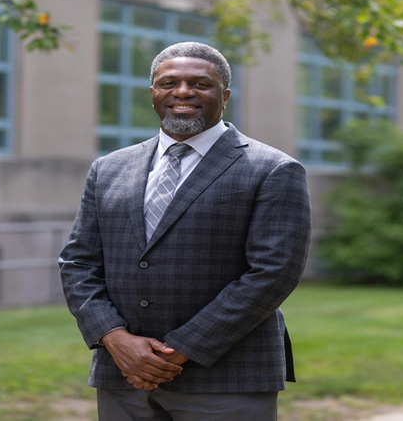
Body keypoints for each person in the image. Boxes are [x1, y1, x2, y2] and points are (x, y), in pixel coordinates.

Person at [59, 41, 312, 420]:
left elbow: (273, 274)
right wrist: (115, 339)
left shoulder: (272, 169)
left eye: (200, 84)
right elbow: (78, 262)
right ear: (153, 94)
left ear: (224, 95)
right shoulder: (109, 168)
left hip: (226, 379)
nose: (182, 93)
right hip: (123, 375)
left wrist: (177, 351)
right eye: (168, 83)